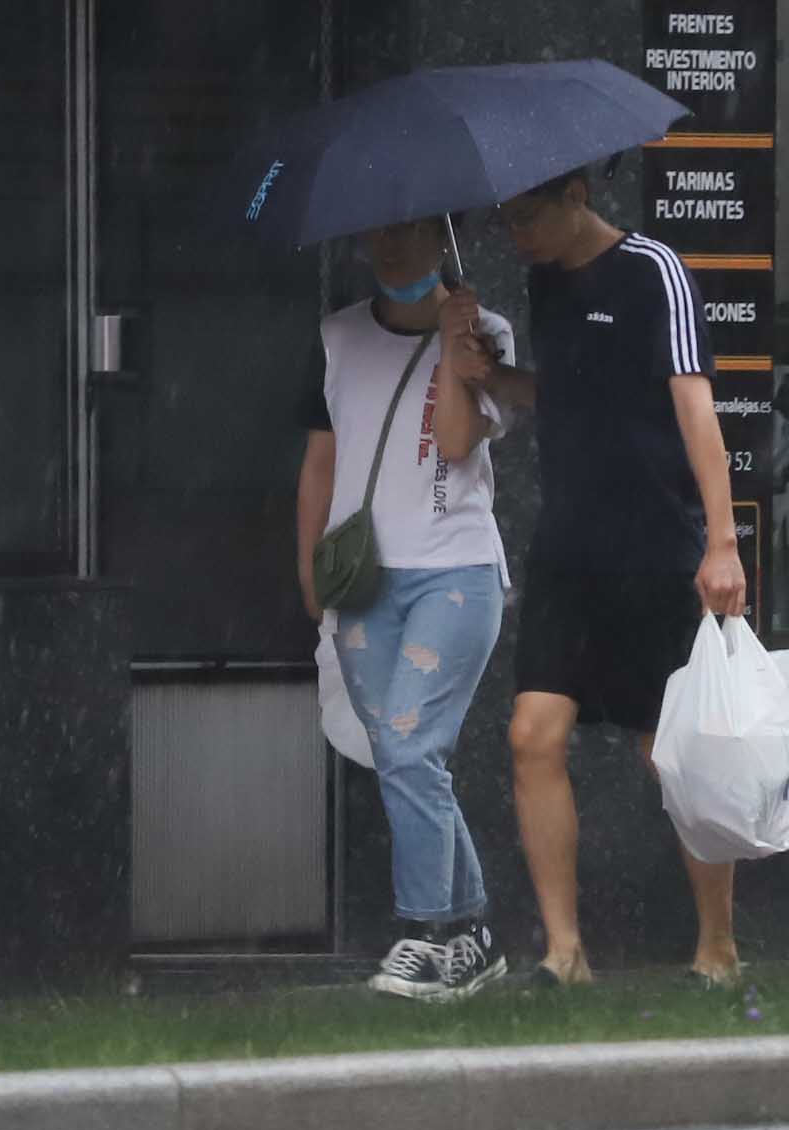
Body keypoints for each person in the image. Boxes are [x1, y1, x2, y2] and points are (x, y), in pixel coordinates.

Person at [478, 163, 750, 985]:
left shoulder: (652, 271)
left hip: (654, 548)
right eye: (507, 222)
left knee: (673, 755)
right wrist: (487, 375)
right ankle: (564, 953)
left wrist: (723, 541)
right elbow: (563, 395)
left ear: (578, 195)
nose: (517, 237)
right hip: (566, 552)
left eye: (528, 216)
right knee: (532, 737)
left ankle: (718, 946)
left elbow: (696, 405)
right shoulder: (546, 285)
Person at [297, 214, 517, 1002]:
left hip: (454, 574)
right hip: (363, 581)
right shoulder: (335, 337)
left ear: (440, 237)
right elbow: (320, 464)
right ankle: (474, 938)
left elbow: (456, 444)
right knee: (408, 757)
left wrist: (460, 350)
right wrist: (309, 577)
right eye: (378, 232)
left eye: (410, 231)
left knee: (409, 747)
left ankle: (425, 937)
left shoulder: (488, 330)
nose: (391, 244)